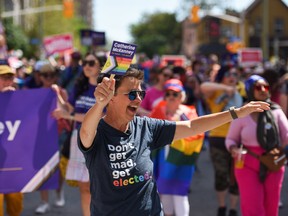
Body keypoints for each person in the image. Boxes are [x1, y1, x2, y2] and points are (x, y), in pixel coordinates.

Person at [78, 67, 270, 216]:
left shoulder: (146, 127)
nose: (137, 99)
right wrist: (99, 103)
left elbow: (191, 127)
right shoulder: (97, 133)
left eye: (140, 94)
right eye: (131, 94)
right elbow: (86, 132)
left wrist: (236, 113)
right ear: (111, 98)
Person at [225, 75, 288, 216]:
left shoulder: (276, 111)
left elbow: (286, 136)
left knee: (271, 206)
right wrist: (233, 149)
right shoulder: (241, 113)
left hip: (274, 162)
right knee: (253, 207)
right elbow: (230, 139)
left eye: (266, 86)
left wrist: (283, 150)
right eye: (258, 87)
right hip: (247, 163)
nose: (263, 90)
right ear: (249, 90)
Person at [53, 52, 106, 216]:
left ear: (101, 66)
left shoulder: (106, 89)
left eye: (91, 63)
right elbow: (69, 109)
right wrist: (57, 95)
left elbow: (99, 116)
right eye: (85, 63)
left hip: (99, 139)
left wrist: (68, 115)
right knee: (84, 186)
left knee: (99, 187)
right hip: (79, 138)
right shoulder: (79, 86)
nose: (86, 66)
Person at [150, 79, 204, 216]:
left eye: (175, 94)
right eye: (168, 94)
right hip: (162, 156)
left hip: (181, 157)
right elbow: (150, 129)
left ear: (181, 96)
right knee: (164, 191)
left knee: (180, 193)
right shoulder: (159, 110)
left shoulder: (188, 112)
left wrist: (176, 139)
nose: (171, 97)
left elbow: (197, 134)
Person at [200, 65, 243, 216]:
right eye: (229, 74)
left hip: (239, 139)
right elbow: (203, 86)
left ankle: (232, 209)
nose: (232, 76)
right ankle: (222, 207)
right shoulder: (216, 90)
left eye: (235, 74)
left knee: (236, 176)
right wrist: (225, 88)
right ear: (223, 76)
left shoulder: (242, 90)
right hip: (218, 138)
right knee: (221, 175)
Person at [34, 63, 68, 214]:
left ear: (55, 77)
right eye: (45, 75)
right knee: (43, 169)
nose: (48, 78)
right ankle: (44, 201)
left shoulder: (61, 91)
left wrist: (58, 95)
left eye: (51, 75)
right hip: (41, 135)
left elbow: (67, 111)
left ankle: (59, 191)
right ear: (40, 77)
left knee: (58, 168)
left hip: (59, 134)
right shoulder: (34, 94)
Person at [0, 64, 23, 216]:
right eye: (3, 78)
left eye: (10, 77)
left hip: (13, 162)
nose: (8, 81)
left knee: (15, 203)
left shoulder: (21, 100)